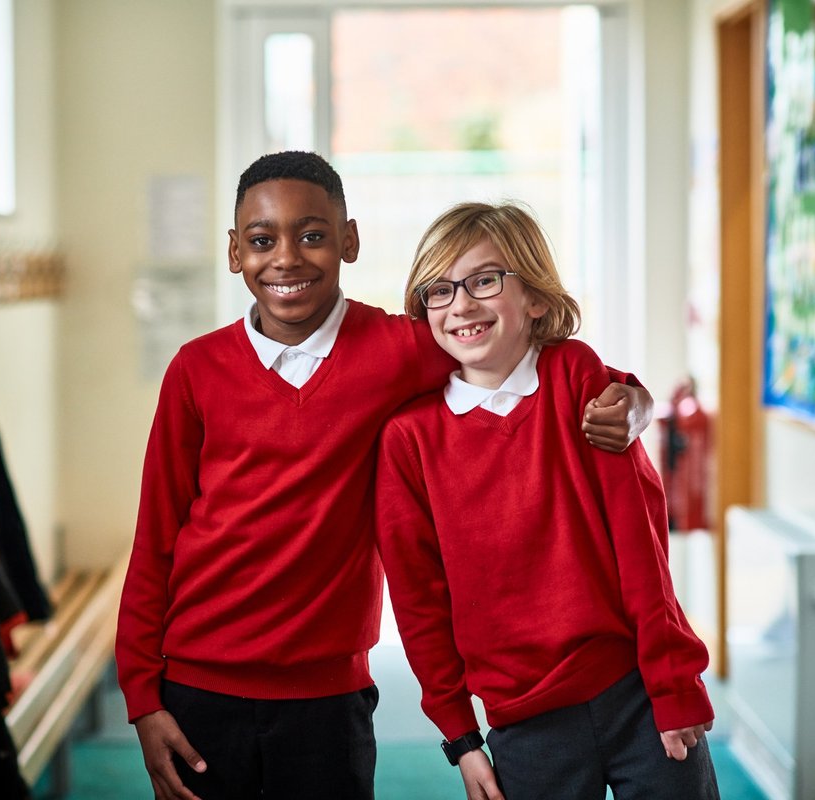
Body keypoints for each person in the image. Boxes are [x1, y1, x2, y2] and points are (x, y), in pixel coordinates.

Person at [115, 152, 654, 800]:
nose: (286, 258)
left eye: (313, 235)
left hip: (328, 696)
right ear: (235, 252)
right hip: (199, 685)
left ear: (350, 241)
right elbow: (156, 540)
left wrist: (632, 398)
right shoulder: (194, 370)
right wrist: (143, 698)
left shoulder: (404, 347)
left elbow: (516, 341)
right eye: (262, 240)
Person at [375, 201, 719, 800]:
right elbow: (418, 599)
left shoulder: (575, 376)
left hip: (636, 690)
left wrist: (673, 681)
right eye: (439, 289)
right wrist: (460, 737)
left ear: (534, 297)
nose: (461, 304)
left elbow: (640, 541)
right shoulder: (410, 439)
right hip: (523, 719)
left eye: (484, 280)